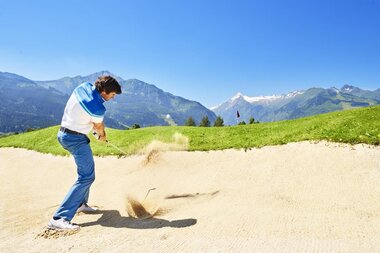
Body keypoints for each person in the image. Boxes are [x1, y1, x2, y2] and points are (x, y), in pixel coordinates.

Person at [48, 75, 122, 230]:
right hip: (75, 139)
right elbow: (99, 128)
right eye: (113, 95)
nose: (113, 98)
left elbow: (85, 117)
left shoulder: (83, 87)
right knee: (87, 176)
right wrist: (102, 136)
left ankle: (81, 203)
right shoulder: (98, 107)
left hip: (64, 133)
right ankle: (59, 218)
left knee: (86, 173)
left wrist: (95, 130)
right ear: (105, 92)